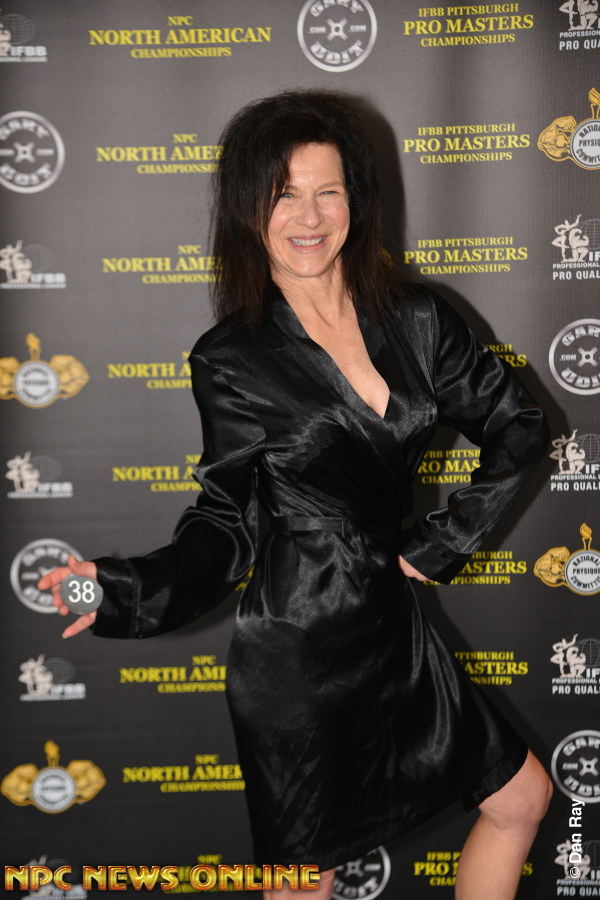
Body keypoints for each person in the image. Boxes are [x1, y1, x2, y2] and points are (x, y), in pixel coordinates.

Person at [39, 90, 552, 900]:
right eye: (284, 194)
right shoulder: (232, 357)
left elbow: (517, 423)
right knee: (301, 884)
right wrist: (120, 591)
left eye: (327, 191)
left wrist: (446, 539)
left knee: (521, 799)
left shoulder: (417, 318)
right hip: (299, 651)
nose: (308, 216)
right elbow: (225, 524)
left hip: (392, 625)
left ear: (356, 201)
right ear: (249, 211)